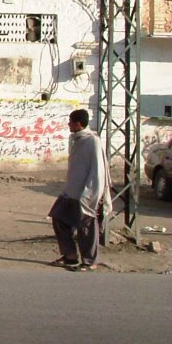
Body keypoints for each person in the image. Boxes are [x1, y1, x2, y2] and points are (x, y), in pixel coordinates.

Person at [49, 109, 112, 271]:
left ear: (78, 124)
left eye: (71, 122)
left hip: (87, 193)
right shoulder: (76, 139)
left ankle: (90, 261)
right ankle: (70, 256)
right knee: (59, 218)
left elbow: (98, 170)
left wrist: (91, 194)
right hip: (71, 191)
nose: (69, 124)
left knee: (87, 227)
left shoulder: (92, 141)